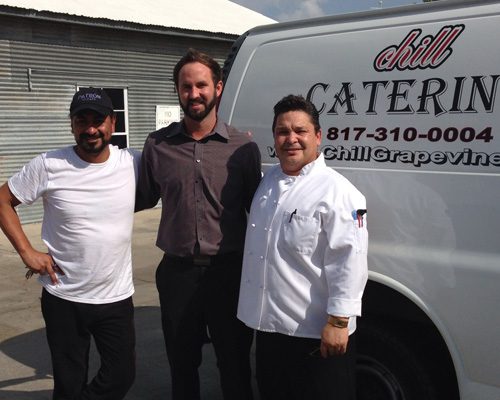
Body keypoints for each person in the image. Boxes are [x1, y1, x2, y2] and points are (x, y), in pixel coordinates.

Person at [135, 48, 261, 400]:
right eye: (186, 86)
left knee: (235, 365)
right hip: (178, 276)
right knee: (182, 366)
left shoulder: (243, 149)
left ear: (218, 88)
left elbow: (260, 214)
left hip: (229, 274)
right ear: (177, 90)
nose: (194, 94)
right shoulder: (158, 145)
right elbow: (138, 197)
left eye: (201, 85)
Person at [0, 88, 140, 400]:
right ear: (72, 125)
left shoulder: (132, 162)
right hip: (63, 296)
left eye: (98, 120)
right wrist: (27, 252)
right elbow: (3, 200)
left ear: (112, 122)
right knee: (68, 382)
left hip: (114, 297)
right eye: (82, 120)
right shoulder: (48, 164)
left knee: (121, 376)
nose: (91, 129)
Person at [237, 94, 368, 400]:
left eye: (300, 131)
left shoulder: (339, 192)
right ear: (274, 138)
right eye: (283, 132)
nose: (291, 139)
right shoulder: (268, 181)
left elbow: (350, 260)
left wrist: (338, 322)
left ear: (318, 136)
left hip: (315, 335)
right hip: (270, 331)